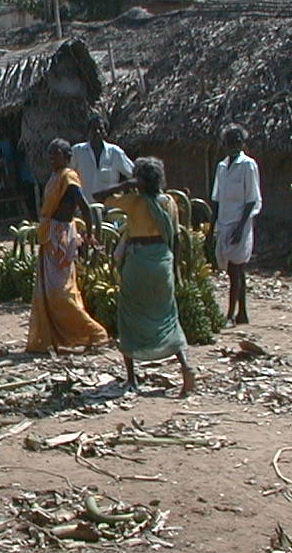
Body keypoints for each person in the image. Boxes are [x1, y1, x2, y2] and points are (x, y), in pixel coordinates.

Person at [97, 157, 196, 396]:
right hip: (162, 260)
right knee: (168, 315)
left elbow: (98, 198)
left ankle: (131, 378)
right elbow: (175, 236)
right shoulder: (169, 202)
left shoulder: (134, 202)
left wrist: (125, 185)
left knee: (129, 315)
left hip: (139, 262)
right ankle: (185, 365)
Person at [26, 138, 109, 353]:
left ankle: (93, 332)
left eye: (56, 153)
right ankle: (55, 336)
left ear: (67, 156)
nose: (52, 157)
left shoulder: (69, 178)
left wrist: (90, 233)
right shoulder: (54, 177)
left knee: (60, 291)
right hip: (49, 235)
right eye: (50, 153)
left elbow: (85, 207)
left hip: (61, 237)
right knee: (47, 289)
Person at [212, 124, 262, 326]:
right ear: (224, 145)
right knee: (236, 270)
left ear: (243, 143)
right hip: (224, 223)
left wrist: (241, 228)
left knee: (235, 269)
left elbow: (251, 199)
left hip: (239, 223)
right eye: (230, 143)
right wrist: (212, 226)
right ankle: (242, 312)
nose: (234, 146)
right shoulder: (222, 167)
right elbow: (216, 198)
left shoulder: (248, 165)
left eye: (237, 142)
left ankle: (231, 313)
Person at [70, 113, 134, 203]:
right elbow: (67, 176)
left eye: (101, 129)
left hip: (109, 208)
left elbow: (132, 173)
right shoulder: (77, 151)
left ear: (106, 132)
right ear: (88, 132)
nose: (97, 132)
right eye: (94, 129)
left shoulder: (115, 153)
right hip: (85, 209)